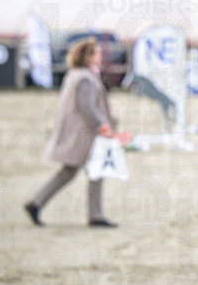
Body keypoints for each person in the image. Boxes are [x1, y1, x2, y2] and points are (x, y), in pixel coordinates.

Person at [23, 37, 123, 228]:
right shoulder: (85, 78)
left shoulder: (76, 74)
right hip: (84, 134)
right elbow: (88, 107)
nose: (101, 56)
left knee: (69, 172)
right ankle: (95, 215)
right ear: (89, 56)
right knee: (95, 170)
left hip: (78, 133)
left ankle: (36, 203)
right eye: (98, 53)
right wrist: (103, 126)